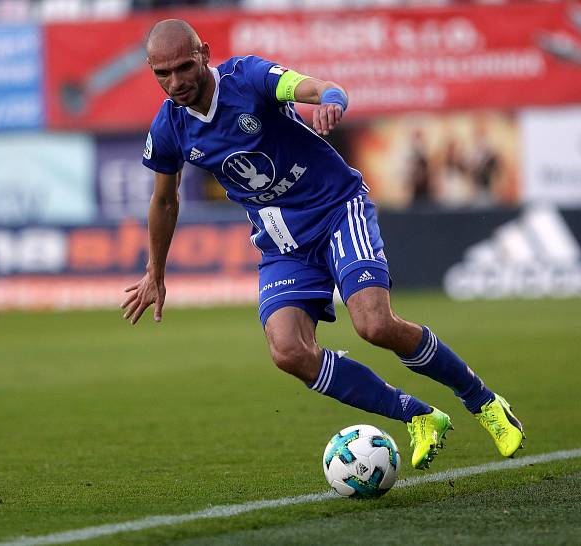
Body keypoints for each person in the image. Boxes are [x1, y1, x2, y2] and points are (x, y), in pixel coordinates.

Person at [121, 19, 525, 469]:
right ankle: (418, 416)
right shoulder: (169, 127)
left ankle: (484, 401)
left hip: (337, 209)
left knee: (374, 324)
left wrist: (331, 100)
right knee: (289, 352)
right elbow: (163, 200)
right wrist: (154, 271)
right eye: (162, 73)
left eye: (183, 67)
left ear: (204, 53)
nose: (175, 82)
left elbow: (316, 87)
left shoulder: (249, 77)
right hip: (282, 243)